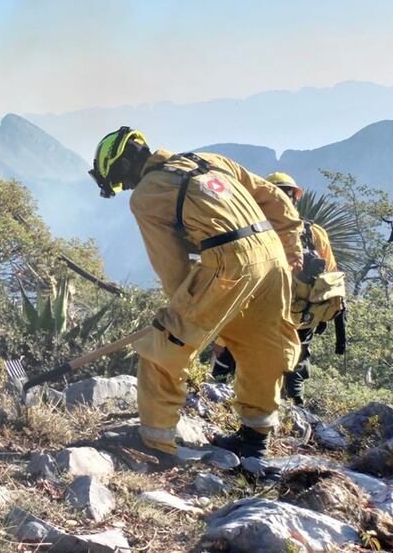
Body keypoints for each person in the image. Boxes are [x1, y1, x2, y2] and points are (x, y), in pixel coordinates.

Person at [88, 127, 302, 459]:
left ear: (126, 164)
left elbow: (170, 265)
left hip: (228, 259)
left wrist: (183, 315)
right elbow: (274, 197)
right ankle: (254, 440)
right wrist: (289, 248)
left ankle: (156, 442)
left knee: (163, 348)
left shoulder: (147, 194)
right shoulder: (209, 160)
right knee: (262, 344)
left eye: (119, 180)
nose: (125, 187)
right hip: (271, 256)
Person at [211, 172, 339, 405]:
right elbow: (333, 278)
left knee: (229, 364)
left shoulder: (251, 232)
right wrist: (323, 316)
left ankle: (222, 404)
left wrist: (221, 339)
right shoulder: (314, 233)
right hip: (301, 317)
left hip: (259, 313)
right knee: (292, 371)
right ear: (295, 198)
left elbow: (237, 277)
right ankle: (293, 410)